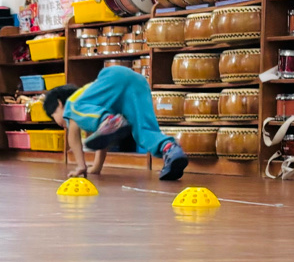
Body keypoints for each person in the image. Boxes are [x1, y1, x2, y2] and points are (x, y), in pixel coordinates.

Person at [44, 65, 189, 181]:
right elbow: (103, 140)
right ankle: (170, 149)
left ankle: (107, 121)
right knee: (143, 130)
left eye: (54, 116)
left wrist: (81, 166)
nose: (59, 123)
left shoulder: (72, 103)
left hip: (113, 76)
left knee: (77, 109)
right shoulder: (93, 103)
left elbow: (73, 137)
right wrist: (96, 167)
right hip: (138, 81)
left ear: (59, 104)